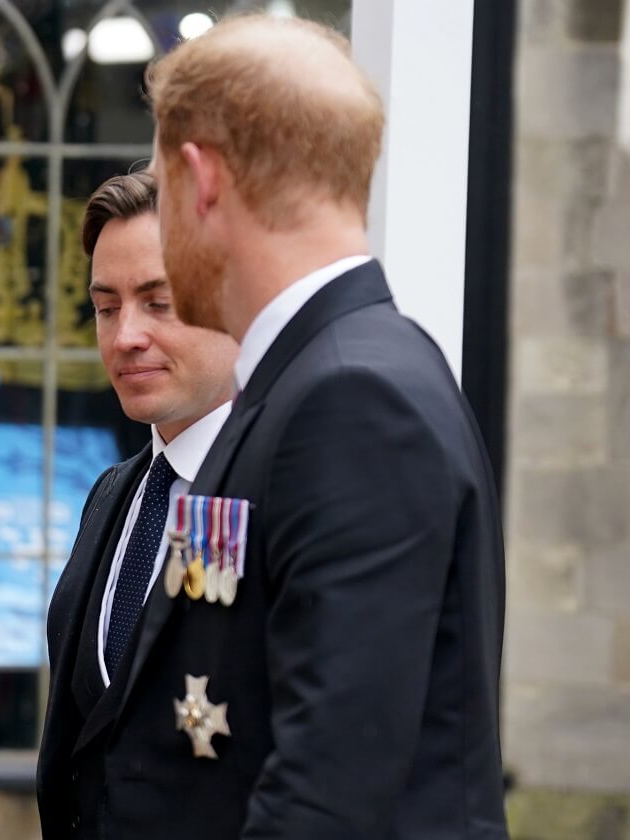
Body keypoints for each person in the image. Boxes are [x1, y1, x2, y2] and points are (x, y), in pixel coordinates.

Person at [141, 13, 508, 839]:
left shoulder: (352, 398)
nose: (163, 230)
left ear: (201, 181)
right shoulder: (310, 378)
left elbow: (329, 792)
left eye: (161, 192)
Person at [37, 170, 240, 838]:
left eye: (160, 303)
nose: (125, 336)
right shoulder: (113, 494)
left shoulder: (275, 493)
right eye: (106, 306)